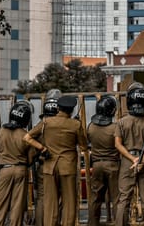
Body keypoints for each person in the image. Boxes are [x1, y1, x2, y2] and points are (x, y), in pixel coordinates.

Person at [24, 95, 88, 226]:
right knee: (69, 203)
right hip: (67, 167)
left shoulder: (47, 122)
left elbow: (27, 137)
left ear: (58, 108)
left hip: (49, 167)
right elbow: (83, 146)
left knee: (50, 203)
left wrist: (42, 148)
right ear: (71, 110)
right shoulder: (75, 124)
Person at [115, 82, 144, 226]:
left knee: (124, 199)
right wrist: (142, 160)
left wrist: (133, 159)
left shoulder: (121, 122)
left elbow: (117, 144)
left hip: (128, 162)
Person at [0, 100, 35, 226]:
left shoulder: (0, 131)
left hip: (5, 169)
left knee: (1, 204)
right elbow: (31, 159)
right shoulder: (26, 135)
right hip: (21, 170)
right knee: (17, 205)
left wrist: (0, 164)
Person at [87, 94, 120, 226]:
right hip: (113, 165)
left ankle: (92, 223)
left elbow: (87, 142)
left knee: (95, 198)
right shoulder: (115, 128)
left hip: (96, 165)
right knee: (117, 199)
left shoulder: (91, 127)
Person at [34, 95, 60, 226]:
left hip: (43, 164)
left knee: (41, 198)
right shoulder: (62, 125)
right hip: (60, 166)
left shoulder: (41, 126)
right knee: (57, 197)